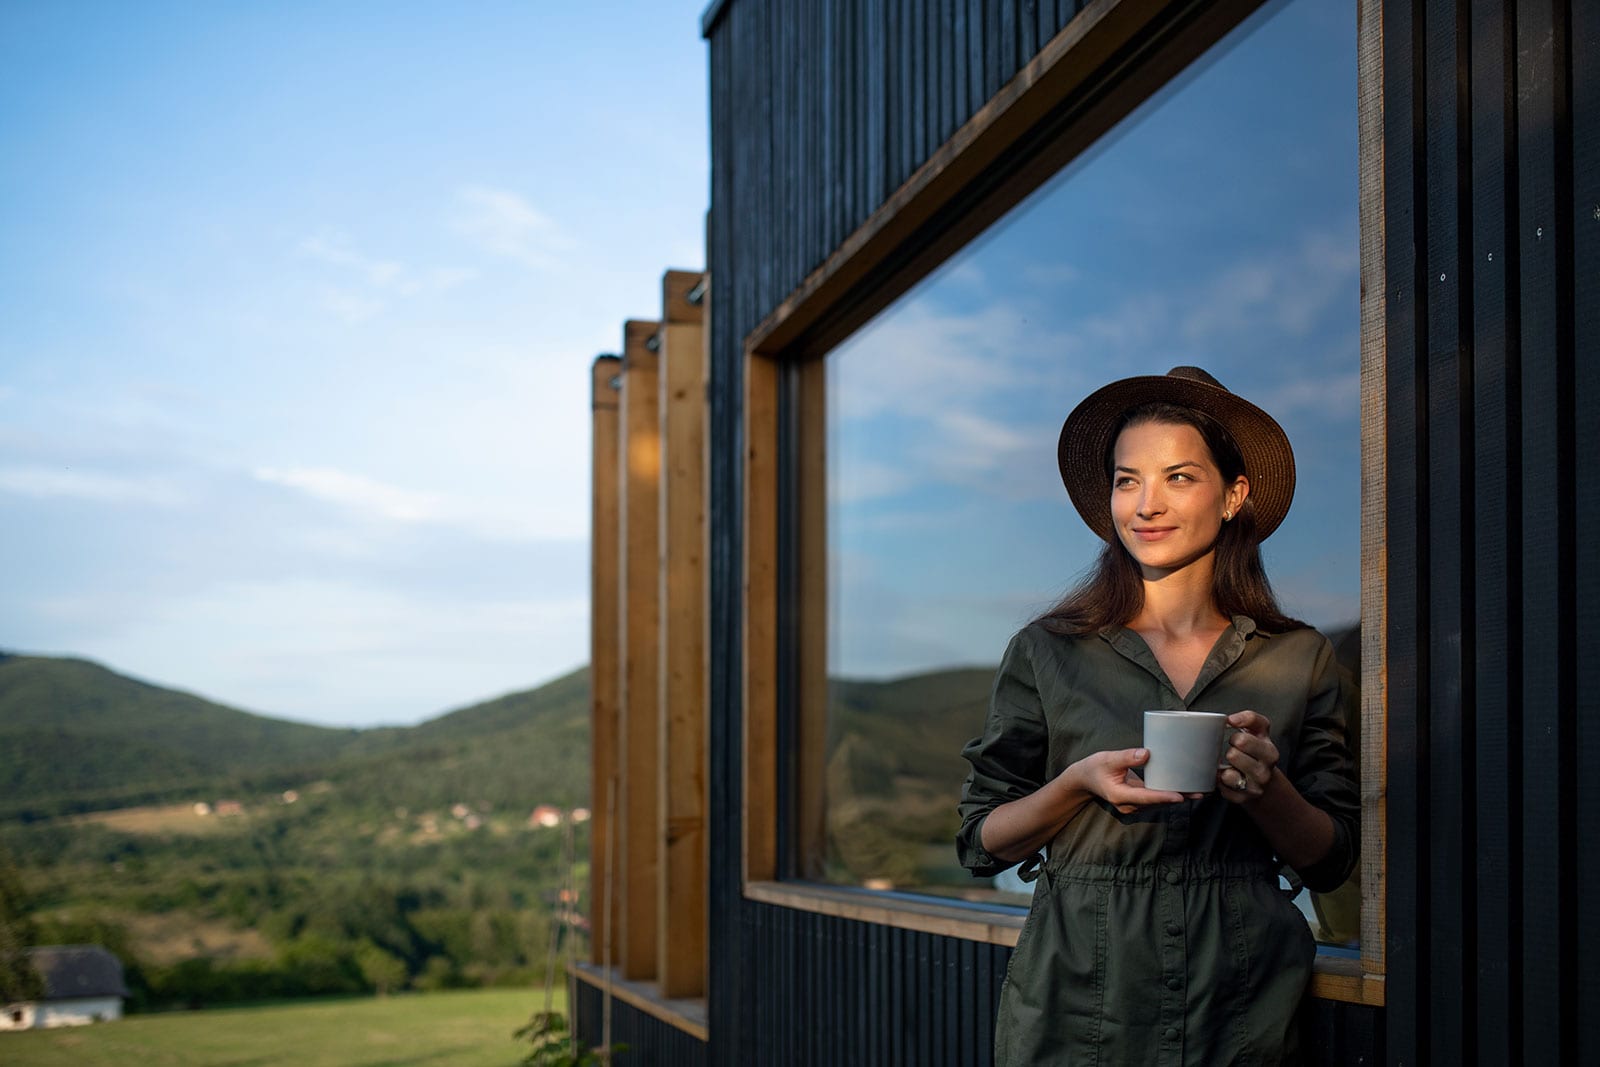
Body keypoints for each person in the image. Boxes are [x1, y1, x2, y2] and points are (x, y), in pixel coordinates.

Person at [956, 366, 1359, 1066]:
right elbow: (979, 840)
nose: (1146, 503)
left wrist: (1269, 791)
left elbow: (1330, 860)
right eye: (1126, 479)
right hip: (1079, 1001)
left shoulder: (1299, 657)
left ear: (1234, 495)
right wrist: (1077, 784)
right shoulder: (1048, 650)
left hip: (1244, 1003)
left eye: (1178, 476)